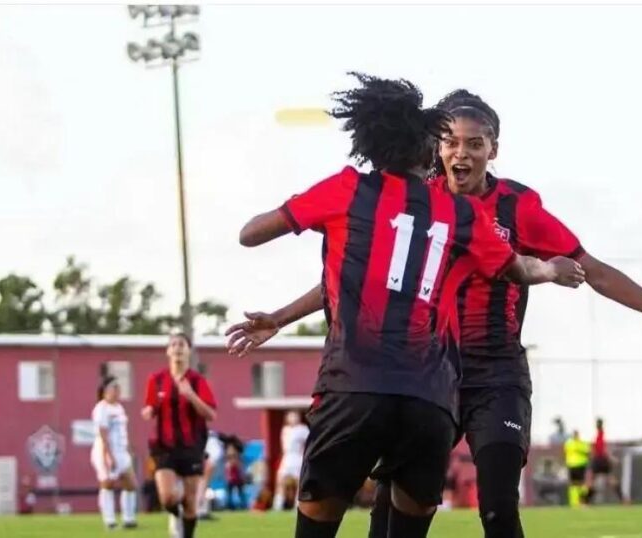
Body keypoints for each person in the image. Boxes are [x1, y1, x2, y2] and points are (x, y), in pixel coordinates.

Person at [228, 88, 642, 538]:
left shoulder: (514, 207)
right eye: (450, 141)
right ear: (434, 146)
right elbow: (371, 277)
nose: (460, 153)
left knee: (496, 506)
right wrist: (282, 317)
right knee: (388, 507)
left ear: (494, 149)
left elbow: (592, 270)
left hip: (493, 374)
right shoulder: (424, 202)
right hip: (430, 373)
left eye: (474, 143)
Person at [234, 72, 585, 538]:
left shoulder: (347, 190)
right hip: (428, 400)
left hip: (352, 391)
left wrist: (307, 212)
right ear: (427, 150)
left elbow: (250, 234)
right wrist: (551, 269)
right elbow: (517, 268)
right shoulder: (458, 214)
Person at [142, 332, 217, 538]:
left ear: (188, 351)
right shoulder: (156, 379)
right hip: (163, 446)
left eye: (181, 344)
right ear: (168, 351)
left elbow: (211, 414)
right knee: (167, 498)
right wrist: (149, 410)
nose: (177, 348)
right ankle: (175, 512)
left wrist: (191, 396)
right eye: (173, 344)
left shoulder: (197, 381)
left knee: (191, 505)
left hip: (191, 446)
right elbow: (150, 406)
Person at [92, 376, 138, 529]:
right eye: (115, 387)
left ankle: (129, 519)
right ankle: (109, 520)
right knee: (108, 484)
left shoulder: (119, 407)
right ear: (106, 390)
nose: (118, 391)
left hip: (121, 450)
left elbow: (123, 431)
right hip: (107, 450)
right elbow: (103, 433)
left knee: (131, 483)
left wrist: (128, 448)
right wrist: (108, 456)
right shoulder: (101, 408)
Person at [273, 411, 309, 510]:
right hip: (287, 458)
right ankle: (277, 505)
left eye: (295, 416)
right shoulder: (285, 430)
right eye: (291, 416)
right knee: (280, 481)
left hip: (297, 458)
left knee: (299, 482)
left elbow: (308, 442)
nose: (293, 418)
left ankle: (297, 505)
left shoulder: (303, 429)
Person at [196, 430, 225, 520]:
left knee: (203, 481)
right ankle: (198, 509)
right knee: (201, 481)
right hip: (198, 439)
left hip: (205, 438)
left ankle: (201, 509)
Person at [564, 430, 590, 508]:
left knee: (577, 484)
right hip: (575, 465)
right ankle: (577, 502)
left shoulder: (570, 444)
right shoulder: (580, 443)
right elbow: (588, 452)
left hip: (577, 465)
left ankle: (578, 501)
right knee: (577, 483)